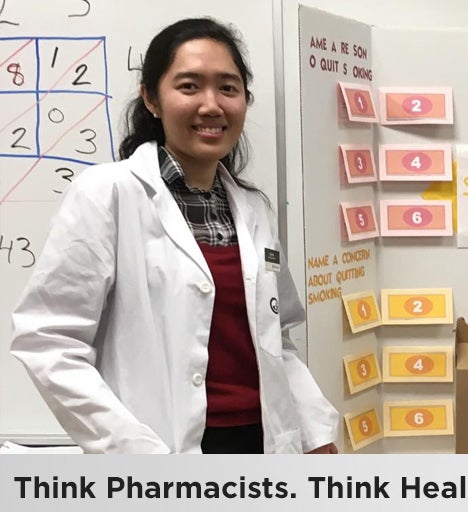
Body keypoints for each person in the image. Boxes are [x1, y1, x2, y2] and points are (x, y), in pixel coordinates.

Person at [9, 18, 339, 454]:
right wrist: (130, 448)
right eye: (189, 86)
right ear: (152, 98)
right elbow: (48, 341)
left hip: (264, 442)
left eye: (228, 87)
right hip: (159, 447)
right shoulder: (108, 194)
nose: (211, 105)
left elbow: (278, 338)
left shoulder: (253, 208)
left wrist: (315, 431)